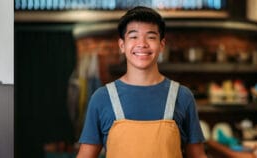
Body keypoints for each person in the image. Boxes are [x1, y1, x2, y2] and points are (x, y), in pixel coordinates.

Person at [76, 6, 205, 158]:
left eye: (150, 37)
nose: (142, 43)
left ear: (161, 45)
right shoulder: (101, 98)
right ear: (122, 45)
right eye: (133, 36)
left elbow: (198, 155)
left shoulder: (183, 97)